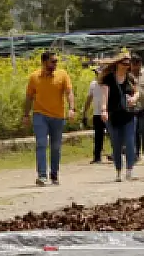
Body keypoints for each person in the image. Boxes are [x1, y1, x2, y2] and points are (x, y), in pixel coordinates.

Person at [23, 51, 73, 187]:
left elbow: (69, 92)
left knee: (56, 147)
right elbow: (29, 97)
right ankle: (42, 175)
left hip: (58, 116)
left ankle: (54, 173)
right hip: (40, 115)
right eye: (53, 61)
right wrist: (26, 115)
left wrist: (72, 108)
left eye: (56, 61)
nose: (55, 63)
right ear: (44, 62)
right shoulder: (34, 77)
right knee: (41, 144)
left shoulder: (62, 75)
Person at [98, 54, 139, 182]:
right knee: (116, 144)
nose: (127, 66)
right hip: (113, 116)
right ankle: (118, 171)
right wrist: (104, 110)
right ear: (117, 64)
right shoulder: (109, 78)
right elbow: (104, 95)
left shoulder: (130, 78)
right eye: (124, 64)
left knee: (130, 143)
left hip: (128, 115)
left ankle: (129, 170)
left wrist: (134, 99)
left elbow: (137, 92)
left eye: (128, 64)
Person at [81, 65, 109, 164]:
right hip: (97, 114)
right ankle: (97, 157)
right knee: (98, 136)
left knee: (113, 134)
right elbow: (89, 99)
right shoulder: (93, 84)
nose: (97, 75)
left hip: (108, 113)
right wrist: (85, 112)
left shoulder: (109, 84)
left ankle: (116, 154)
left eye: (98, 73)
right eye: (96, 73)